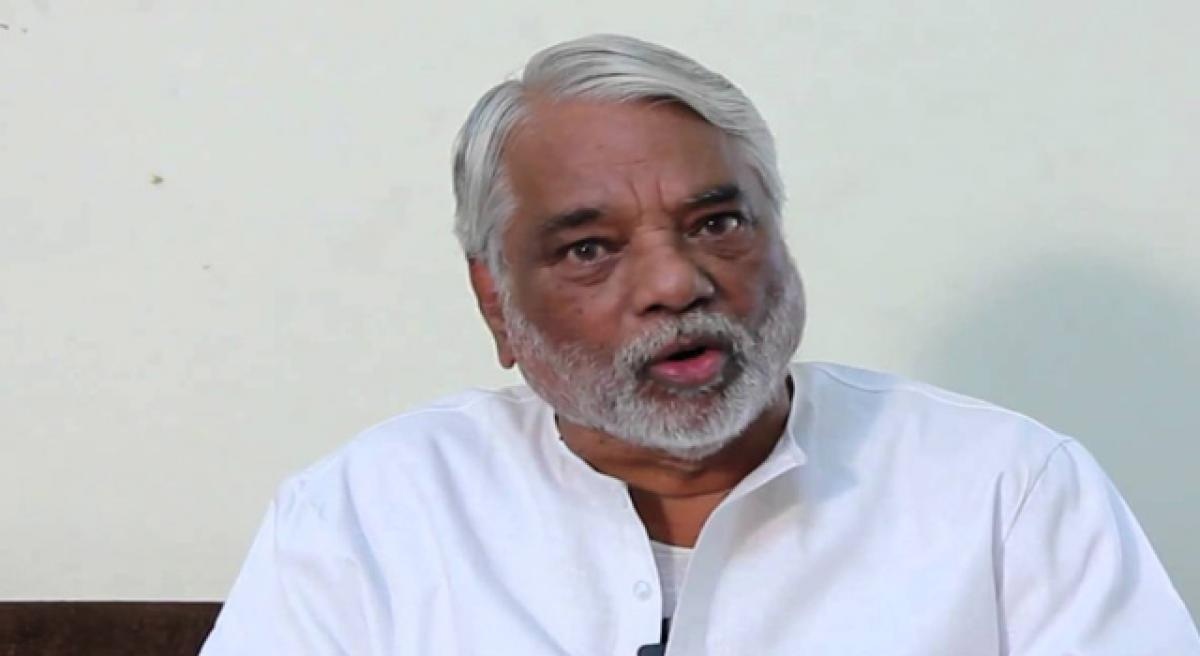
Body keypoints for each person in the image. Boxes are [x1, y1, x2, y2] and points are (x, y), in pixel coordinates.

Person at [199, 34, 1200, 655]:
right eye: (590, 248)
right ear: (496, 303)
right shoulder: (369, 515)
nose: (677, 284)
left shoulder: (1007, 490)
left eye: (719, 223)